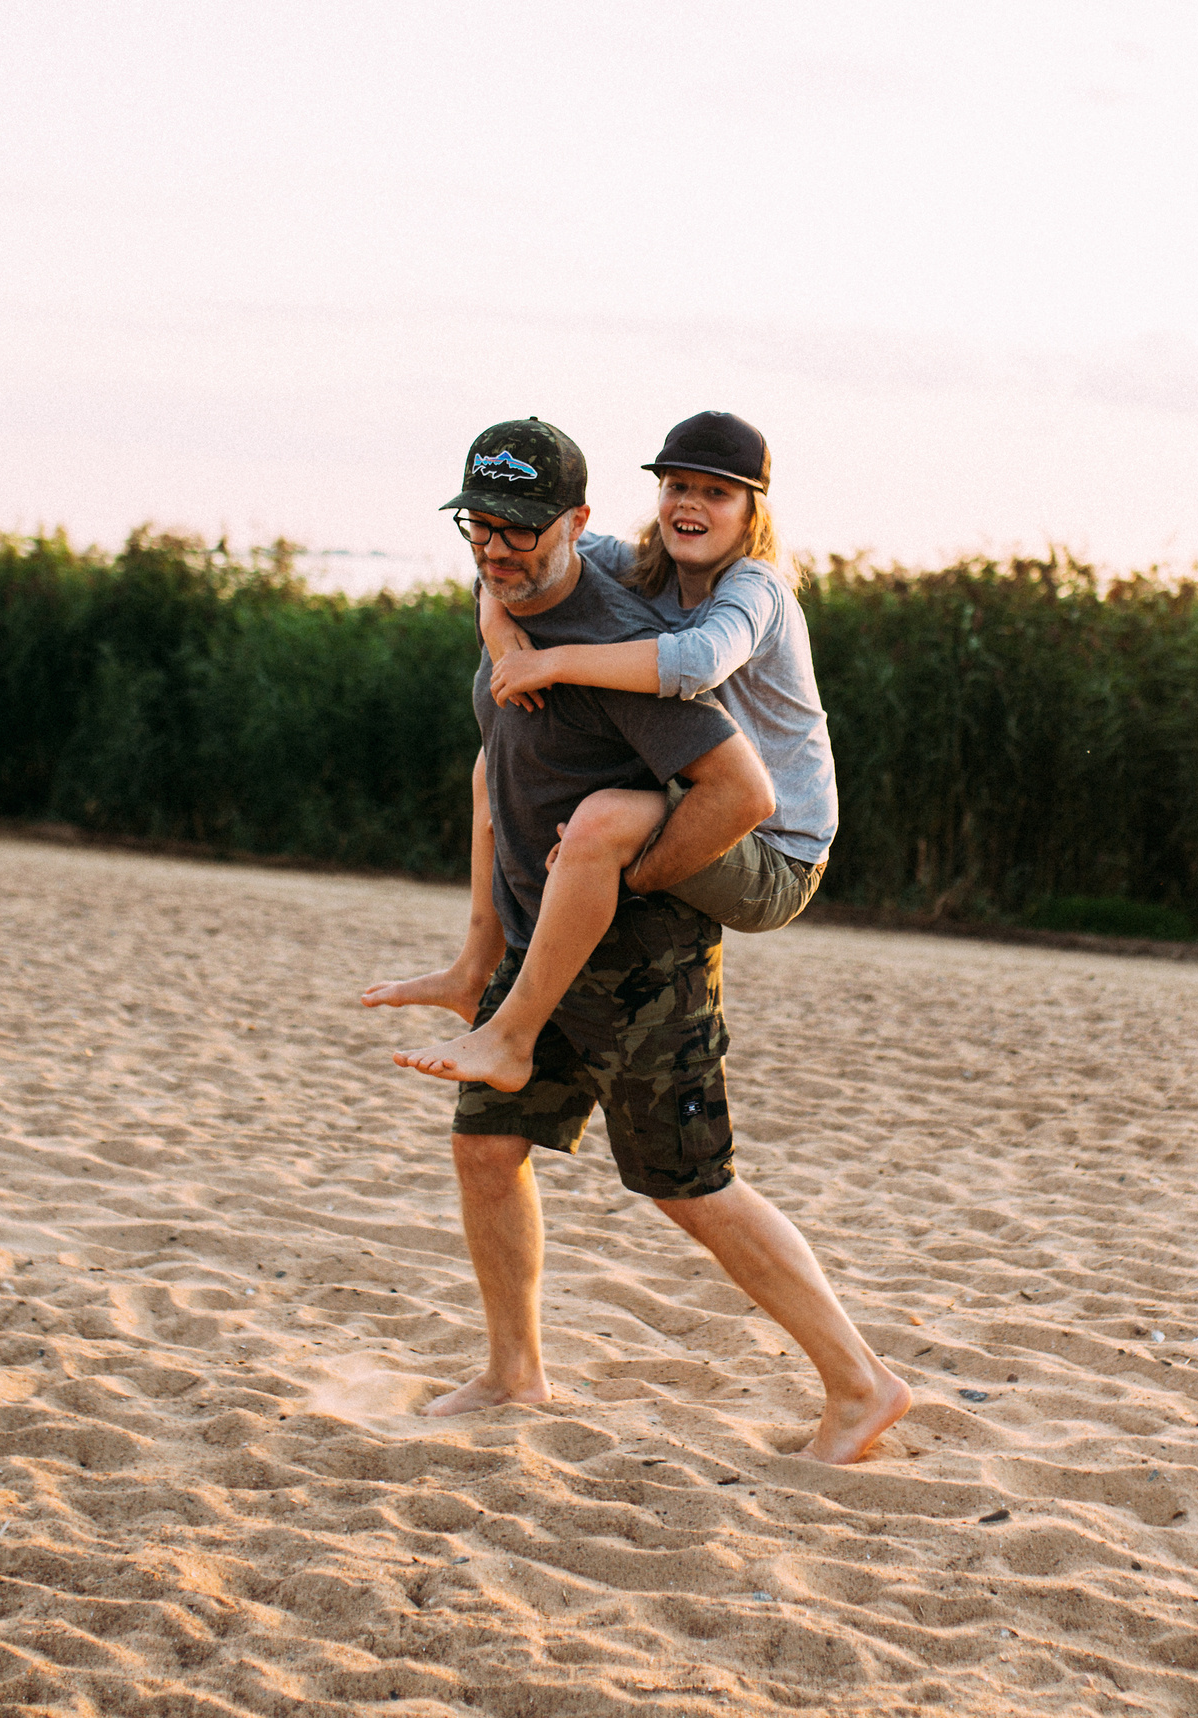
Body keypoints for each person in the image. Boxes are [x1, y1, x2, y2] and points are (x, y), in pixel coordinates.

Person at [369, 417, 908, 1465]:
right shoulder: (532, 603)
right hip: (542, 939)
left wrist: (634, 870)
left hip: (652, 942)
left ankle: (860, 1380)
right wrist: (475, 957)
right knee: (485, 1146)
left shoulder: (658, 638)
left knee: (686, 1182)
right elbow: (493, 780)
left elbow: (743, 789)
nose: (497, 546)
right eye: (481, 526)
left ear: (571, 523)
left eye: (521, 529)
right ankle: (512, 1370)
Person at [371, 411, 835, 1097]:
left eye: (717, 493)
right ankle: (475, 966)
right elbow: (527, 559)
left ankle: (512, 1038)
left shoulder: (755, 587)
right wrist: (499, 628)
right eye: (677, 486)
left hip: (774, 846)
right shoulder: (646, 564)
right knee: (491, 763)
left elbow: (698, 661)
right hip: (696, 795)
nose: (690, 505)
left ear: (750, 511)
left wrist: (553, 662)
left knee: (603, 820)